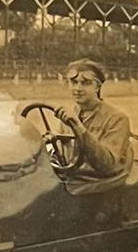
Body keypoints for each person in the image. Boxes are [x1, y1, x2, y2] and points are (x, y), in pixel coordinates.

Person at [53, 58, 133, 193]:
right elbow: (62, 153)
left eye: (86, 83)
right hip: (75, 177)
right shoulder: (69, 115)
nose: (77, 88)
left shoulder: (117, 119)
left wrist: (80, 129)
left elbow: (108, 164)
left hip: (101, 181)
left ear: (98, 87)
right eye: (73, 82)